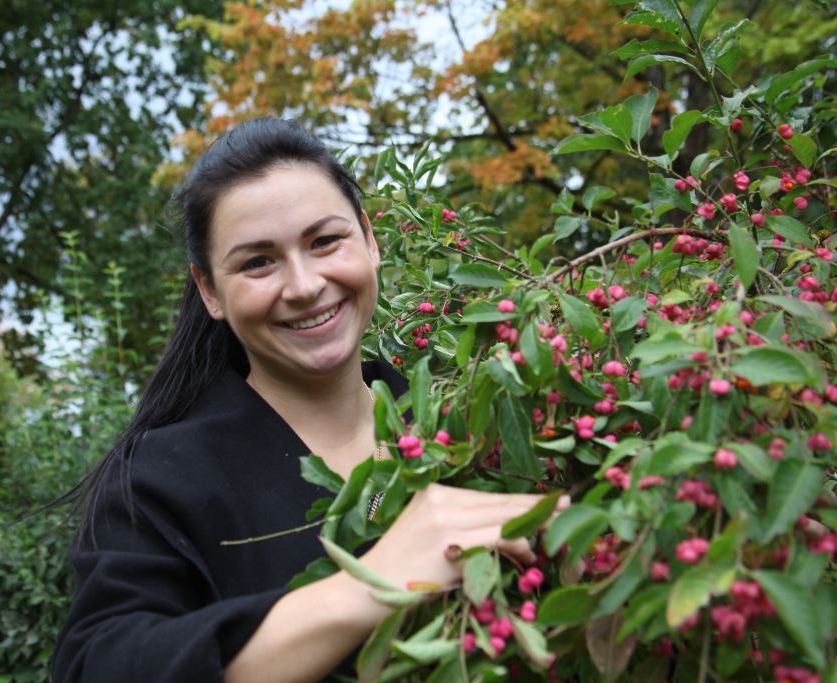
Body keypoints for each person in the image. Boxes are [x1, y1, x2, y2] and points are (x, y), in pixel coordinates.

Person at [51, 117, 567, 683]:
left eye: (325, 241)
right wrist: (374, 583)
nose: (302, 284)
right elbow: (98, 663)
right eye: (257, 262)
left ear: (369, 241)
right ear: (209, 291)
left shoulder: (479, 424)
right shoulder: (158, 480)